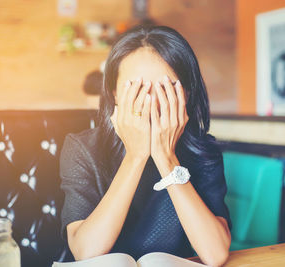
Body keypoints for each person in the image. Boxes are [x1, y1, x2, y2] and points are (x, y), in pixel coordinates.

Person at [60, 25, 231, 267]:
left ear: (187, 93)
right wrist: (136, 156)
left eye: (165, 88)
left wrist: (166, 158)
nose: (150, 102)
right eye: (137, 89)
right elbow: (85, 251)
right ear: (114, 94)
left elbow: (216, 254)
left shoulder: (203, 152)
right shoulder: (82, 148)